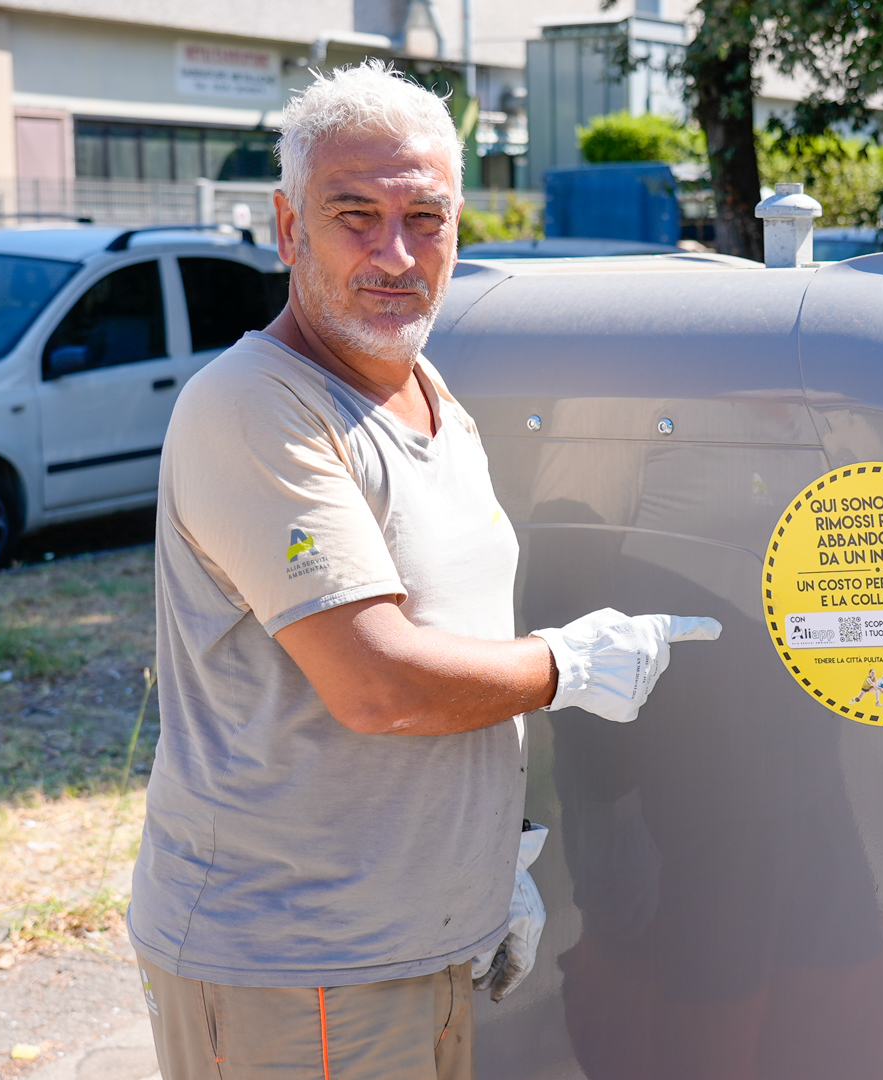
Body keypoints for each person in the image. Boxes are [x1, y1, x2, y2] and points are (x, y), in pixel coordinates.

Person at [128, 60, 718, 1080]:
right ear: (286, 228)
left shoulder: (429, 393)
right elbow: (379, 682)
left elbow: (459, 634)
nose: (395, 253)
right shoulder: (257, 407)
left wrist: (490, 864)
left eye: (426, 218)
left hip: (416, 940)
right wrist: (569, 666)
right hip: (299, 961)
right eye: (355, 213)